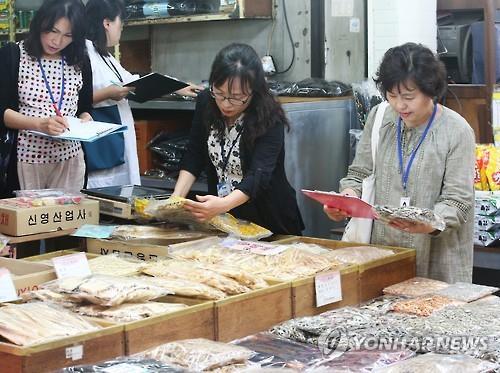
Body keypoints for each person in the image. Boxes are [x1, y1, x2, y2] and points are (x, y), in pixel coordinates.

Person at [324, 42, 475, 283]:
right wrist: (347, 198)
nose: (399, 105)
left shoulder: (456, 131)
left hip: (435, 259)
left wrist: (430, 223)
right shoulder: (380, 117)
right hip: (382, 254)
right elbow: (359, 173)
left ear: (431, 90)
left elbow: (458, 200)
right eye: (392, 95)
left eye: (409, 97)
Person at [172, 43, 304, 235]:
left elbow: (259, 175)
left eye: (236, 97)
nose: (226, 104)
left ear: (254, 91)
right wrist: (175, 200)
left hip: (269, 218)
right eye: (220, 93)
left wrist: (223, 204)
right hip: (225, 218)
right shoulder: (206, 102)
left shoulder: (269, 116)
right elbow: (195, 153)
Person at [85, 0, 203, 188]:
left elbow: (133, 81)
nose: (121, 28)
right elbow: (72, 98)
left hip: (114, 142)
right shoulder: (84, 53)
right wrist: (107, 93)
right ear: (106, 23)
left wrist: (177, 87)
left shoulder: (104, 55)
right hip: (99, 147)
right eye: (120, 22)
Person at [0, 0, 92, 196]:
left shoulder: (80, 61)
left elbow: (85, 107)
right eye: (52, 31)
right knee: (28, 220)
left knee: (69, 222)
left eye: (68, 35)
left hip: (70, 160)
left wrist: (85, 120)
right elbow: (2, 112)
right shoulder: (13, 55)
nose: (57, 41)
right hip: (26, 159)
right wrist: (39, 124)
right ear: (39, 23)